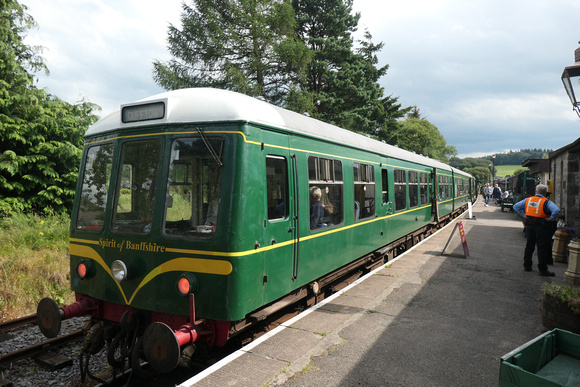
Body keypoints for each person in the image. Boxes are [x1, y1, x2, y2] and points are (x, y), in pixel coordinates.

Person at [513, 184, 560, 276]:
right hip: (541, 227)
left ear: (536, 191)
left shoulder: (528, 200)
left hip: (529, 226)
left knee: (529, 245)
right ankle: (542, 269)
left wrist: (523, 215)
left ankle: (527, 266)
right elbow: (556, 210)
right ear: (545, 193)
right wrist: (550, 219)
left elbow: (516, 206)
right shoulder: (546, 202)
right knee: (542, 247)